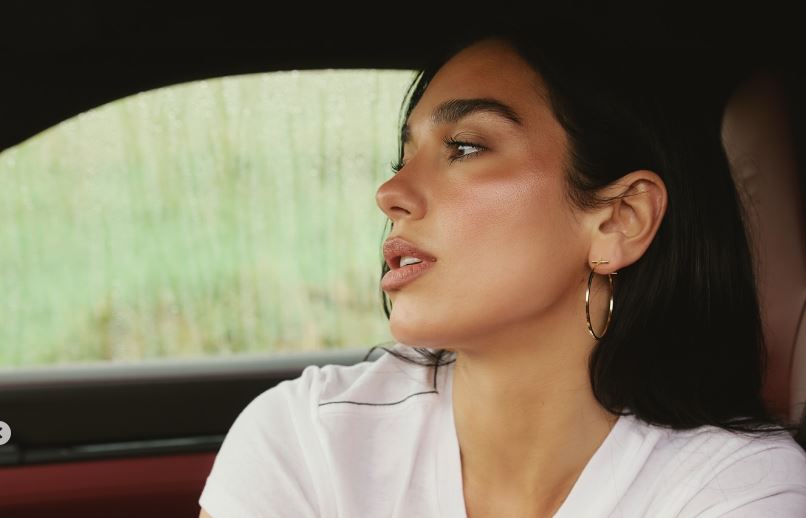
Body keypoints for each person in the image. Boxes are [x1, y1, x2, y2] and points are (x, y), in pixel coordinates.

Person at [198, 30, 806, 517]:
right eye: (401, 158)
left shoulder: (736, 486)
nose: (390, 193)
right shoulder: (309, 439)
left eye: (463, 147)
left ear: (619, 219)